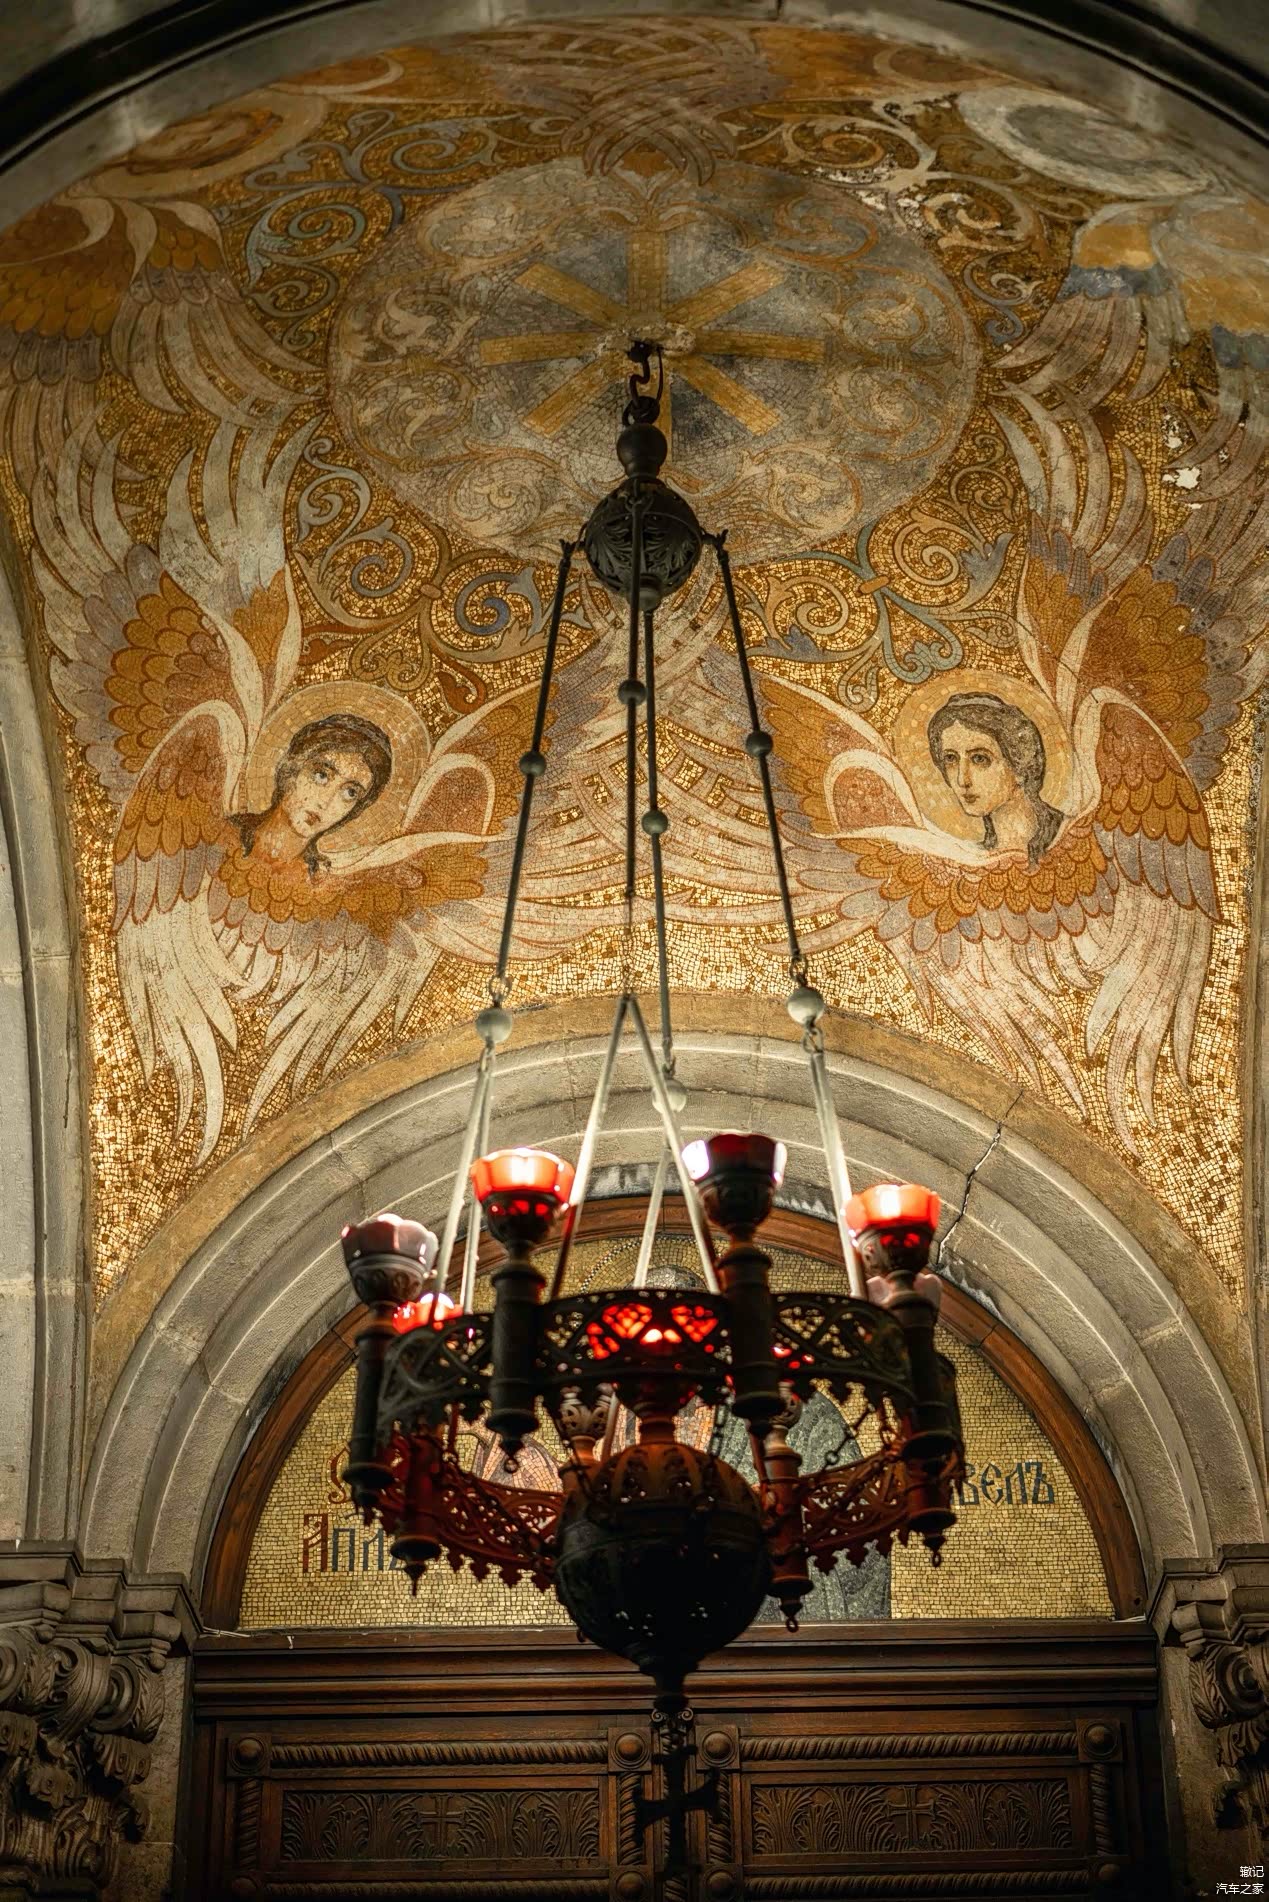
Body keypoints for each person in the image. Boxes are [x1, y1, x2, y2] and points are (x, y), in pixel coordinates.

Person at [231, 714, 392, 878]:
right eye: (321, 775)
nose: (325, 802)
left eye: (350, 793)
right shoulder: (226, 836)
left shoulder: (316, 879)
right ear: (291, 769)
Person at [927, 690, 1064, 865]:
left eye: (979, 759)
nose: (962, 780)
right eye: (950, 759)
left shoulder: (1067, 833)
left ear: (1020, 765)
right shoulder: (975, 857)